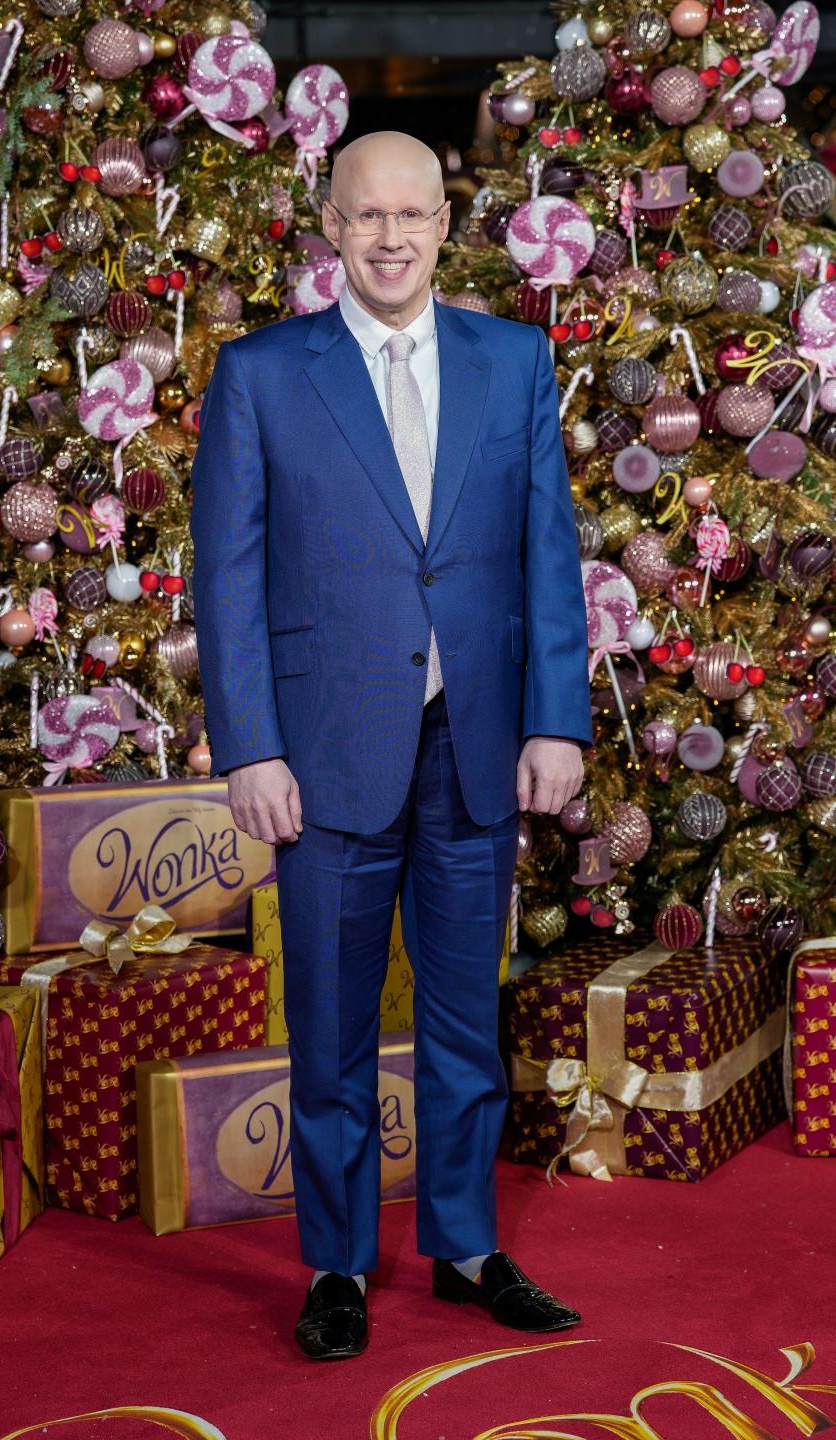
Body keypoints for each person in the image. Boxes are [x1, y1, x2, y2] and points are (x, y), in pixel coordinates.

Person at [190, 131, 593, 1362]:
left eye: (413, 214)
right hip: (320, 757)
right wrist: (250, 747)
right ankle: (338, 1265)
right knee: (333, 1028)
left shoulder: (513, 359)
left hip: (474, 745)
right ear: (329, 222)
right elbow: (228, 576)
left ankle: (467, 1248)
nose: (392, 237)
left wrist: (555, 717)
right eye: (368, 215)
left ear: (444, 222)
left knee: (471, 1022)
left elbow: (546, 552)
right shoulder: (261, 374)